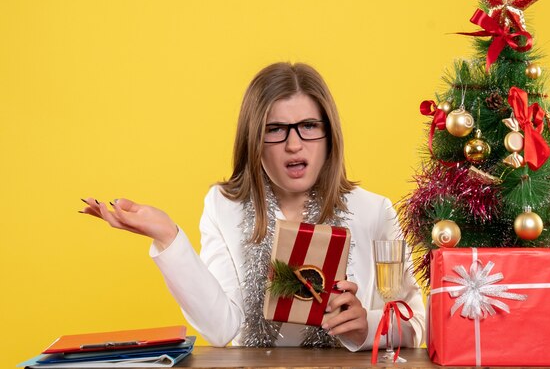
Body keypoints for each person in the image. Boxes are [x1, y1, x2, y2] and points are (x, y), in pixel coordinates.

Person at [80, 62, 425, 350]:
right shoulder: (224, 207)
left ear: (329, 134)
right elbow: (220, 329)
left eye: (308, 126)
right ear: (253, 140)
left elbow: (417, 323)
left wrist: (366, 328)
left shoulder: (372, 211)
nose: (294, 144)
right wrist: (168, 238)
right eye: (275, 129)